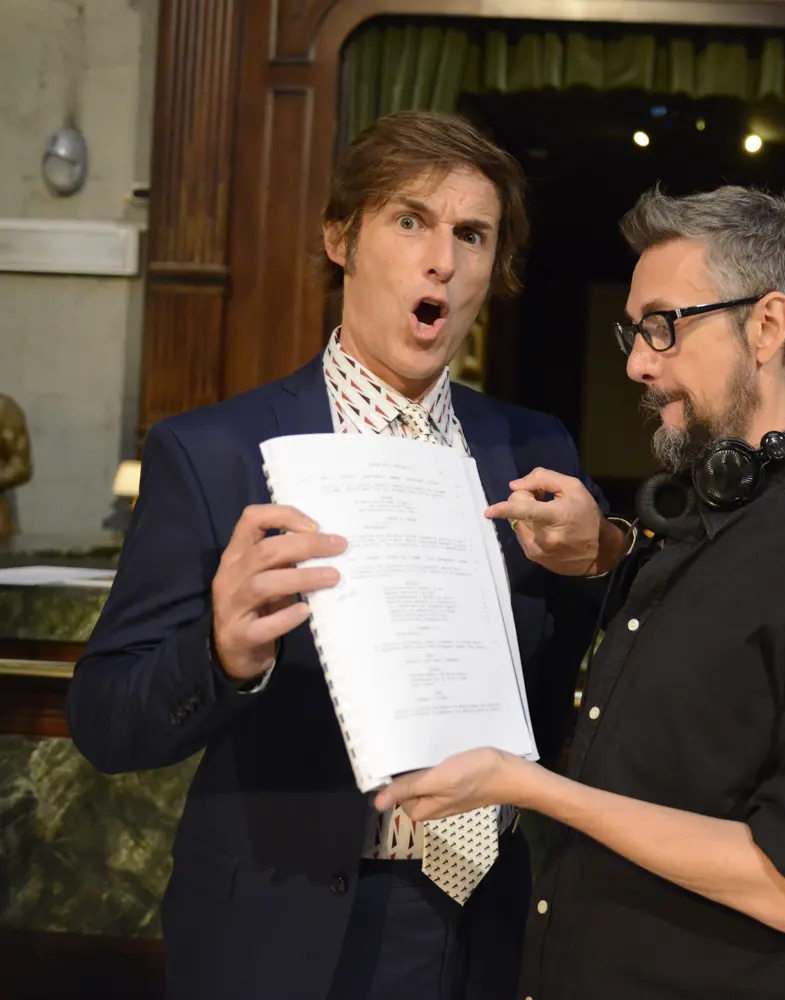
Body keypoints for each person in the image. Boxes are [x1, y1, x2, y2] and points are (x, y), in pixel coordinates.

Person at [66, 110, 628, 1000]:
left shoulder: (532, 447)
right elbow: (104, 721)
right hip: (284, 930)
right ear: (341, 239)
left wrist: (603, 554)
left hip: (486, 927)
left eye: (472, 235)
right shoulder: (212, 454)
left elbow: (596, 666)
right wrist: (220, 656)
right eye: (410, 221)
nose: (441, 260)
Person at [376, 184, 785, 999]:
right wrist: (603, 554)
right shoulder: (678, 534)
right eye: (635, 332)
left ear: (767, 325)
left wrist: (529, 787)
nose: (638, 363)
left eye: (664, 326)